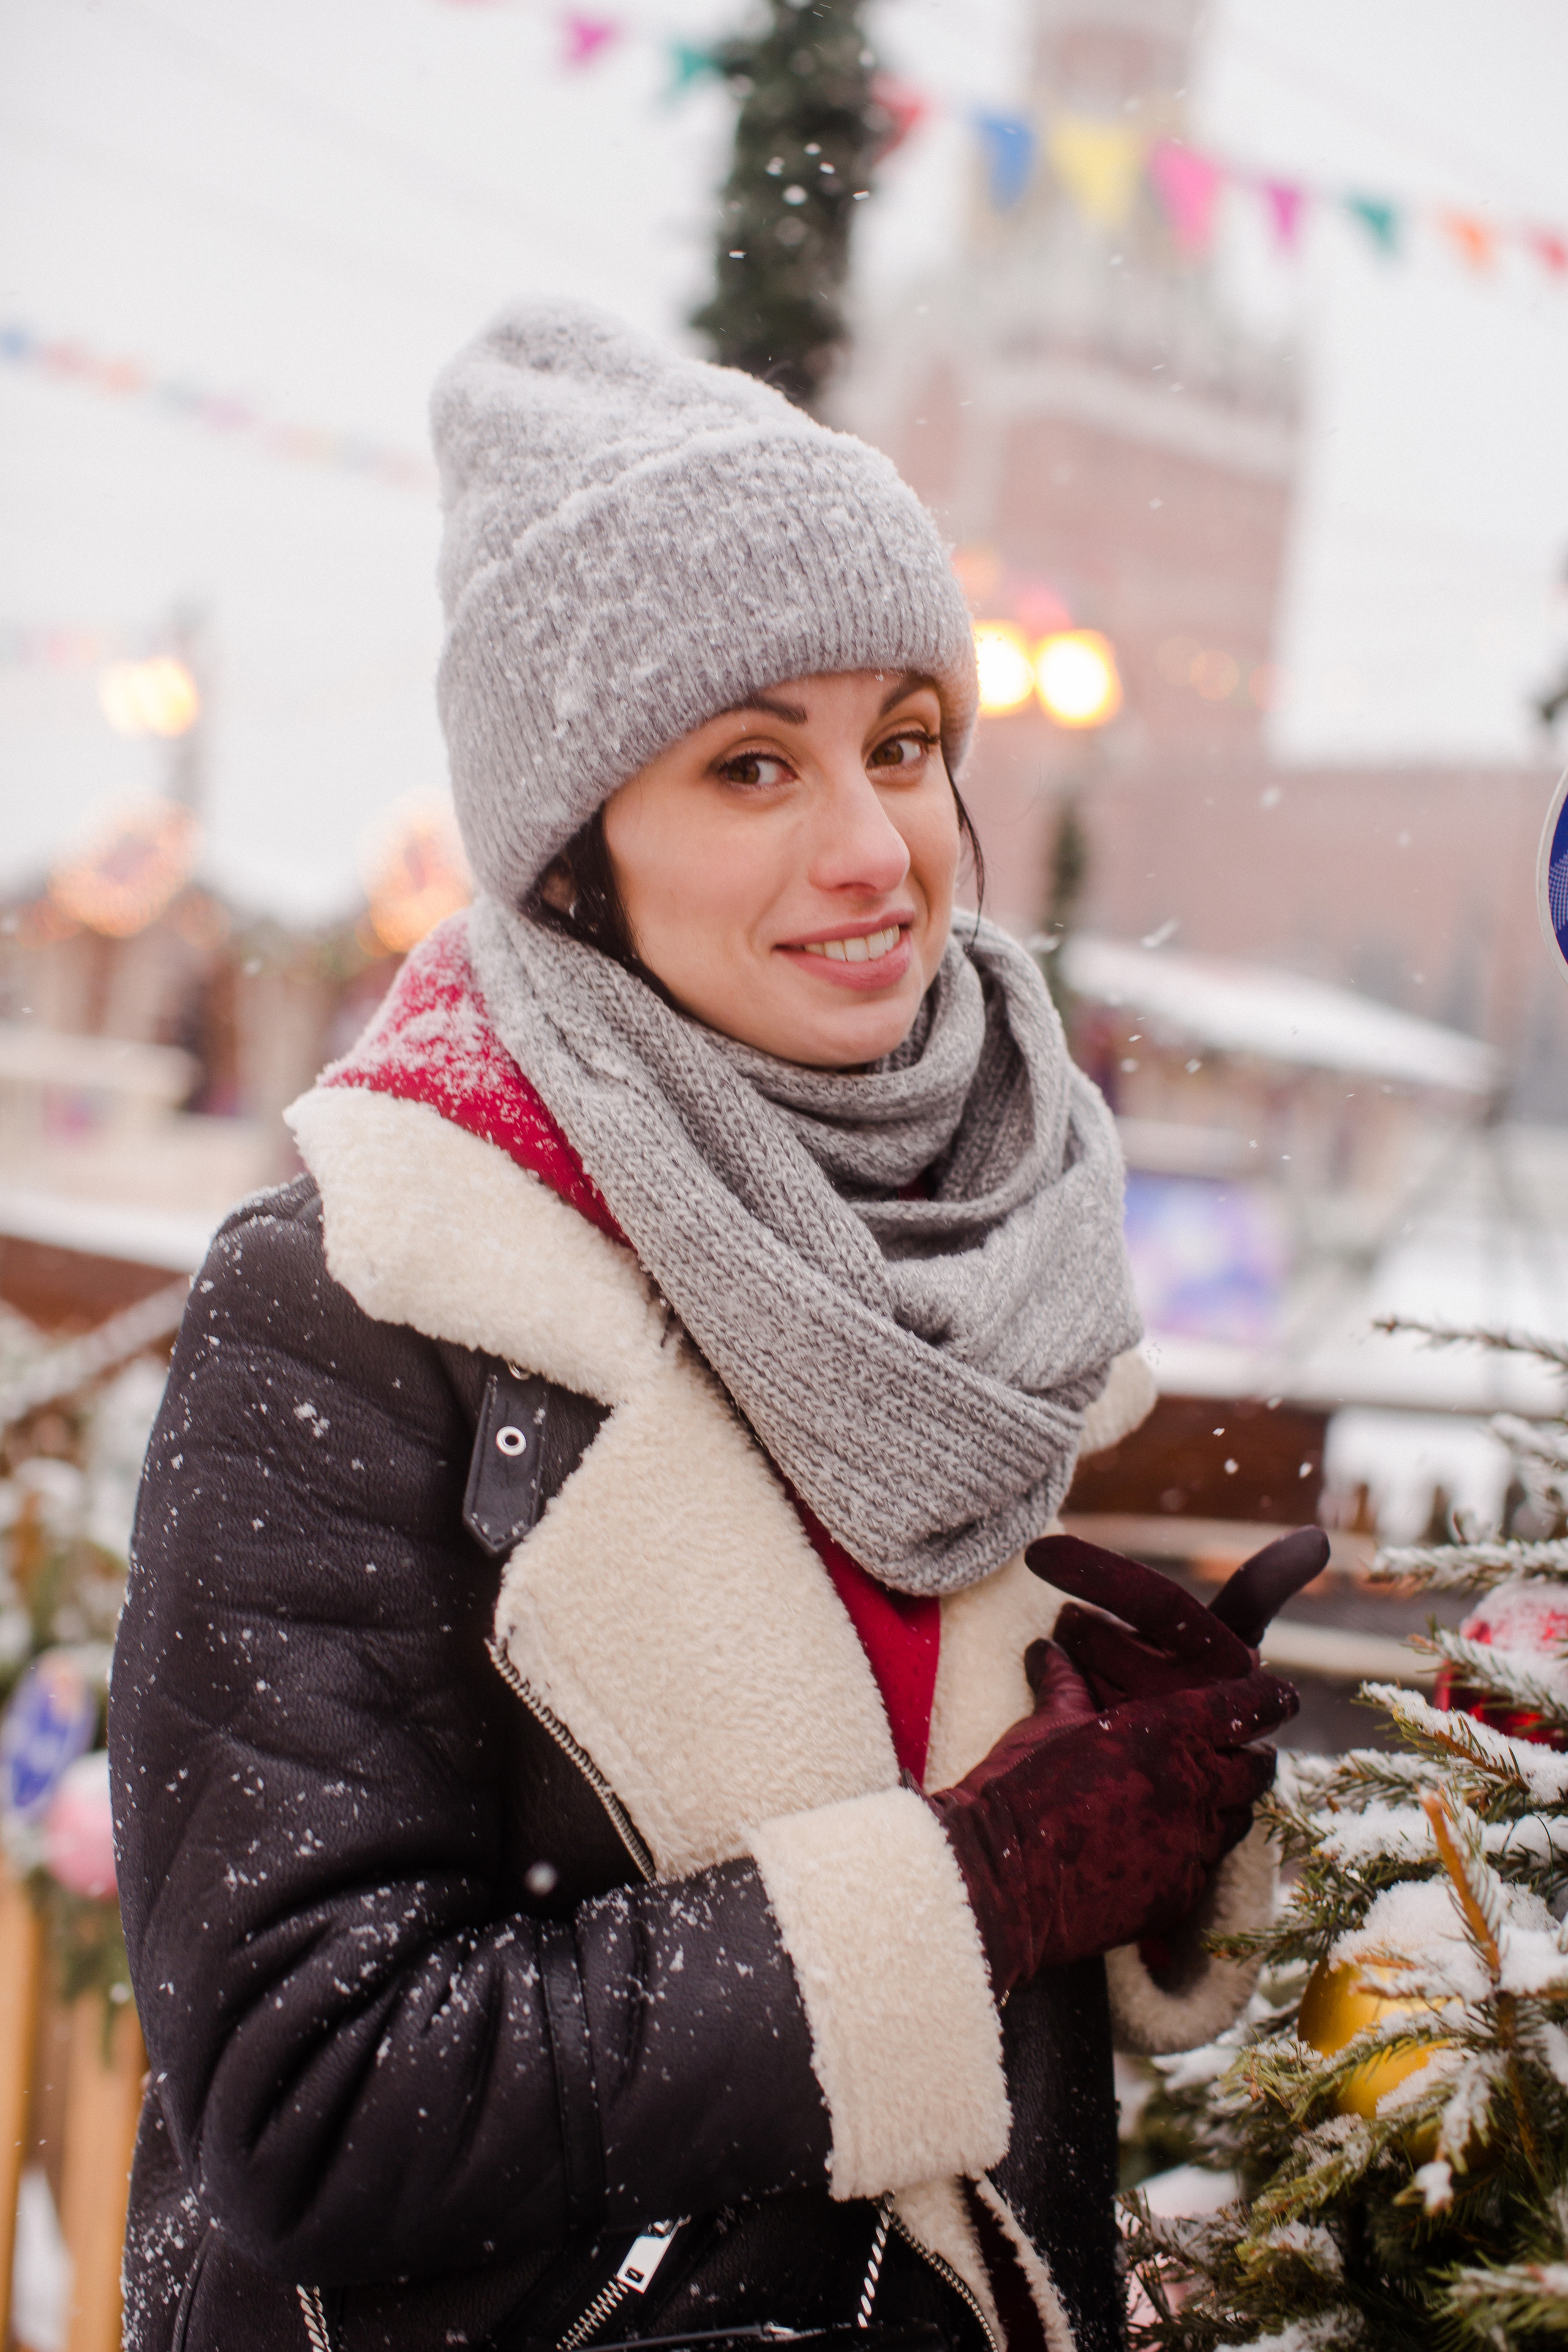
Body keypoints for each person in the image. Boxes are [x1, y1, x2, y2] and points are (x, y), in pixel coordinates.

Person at [109, 301, 1295, 2352]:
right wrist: (975, 1888)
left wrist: (1135, 1829)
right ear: (575, 861)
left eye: (903, 743)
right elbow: (306, 2105)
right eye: (753, 762)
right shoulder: (351, 1302)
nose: (876, 849)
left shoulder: (970, 1250)